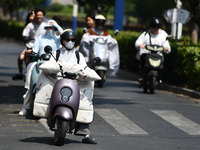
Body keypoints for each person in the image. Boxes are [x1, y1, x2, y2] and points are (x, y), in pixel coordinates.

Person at [18, 19, 63, 116]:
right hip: (41, 63)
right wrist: (33, 52)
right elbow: (35, 49)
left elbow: (64, 35)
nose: (50, 29)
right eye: (48, 27)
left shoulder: (57, 39)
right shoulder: (40, 38)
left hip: (54, 64)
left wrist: (56, 25)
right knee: (31, 82)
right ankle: (26, 107)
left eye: (53, 28)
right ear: (45, 28)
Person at [12, 9, 46, 80]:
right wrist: (26, 38)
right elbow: (24, 34)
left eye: (40, 15)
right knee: (23, 57)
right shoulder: (30, 25)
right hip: (31, 47)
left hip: (42, 48)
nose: (39, 16)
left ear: (43, 16)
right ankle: (26, 72)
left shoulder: (45, 26)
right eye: (37, 15)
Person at [135, 17, 171, 82]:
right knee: (143, 57)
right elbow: (138, 42)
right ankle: (142, 75)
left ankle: (160, 78)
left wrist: (166, 47)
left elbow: (166, 43)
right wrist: (140, 45)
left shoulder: (163, 34)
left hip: (158, 54)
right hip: (147, 54)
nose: (156, 29)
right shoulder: (145, 34)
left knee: (162, 63)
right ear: (151, 27)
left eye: (158, 27)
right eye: (154, 27)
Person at [12, 10, 35, 80]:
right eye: (30, 16)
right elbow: (24, 35)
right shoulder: (28, 25)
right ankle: (21, 73)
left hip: (37, 47)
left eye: (33, 16)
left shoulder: (39, 26)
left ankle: (28, 73)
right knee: (21, 58)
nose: (32, 17)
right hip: (29, 46)